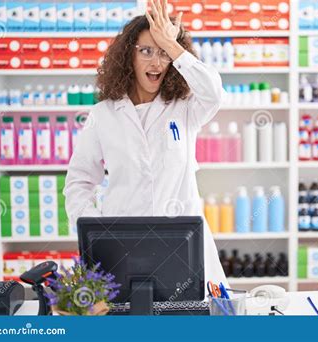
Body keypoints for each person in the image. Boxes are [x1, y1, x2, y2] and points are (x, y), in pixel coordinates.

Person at [63, 0, 228, 288]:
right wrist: (96, 231)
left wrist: (173, 45)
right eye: (146, 51)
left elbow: (214, 93)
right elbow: (79, 181)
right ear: (129, 56)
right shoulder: (103, 115)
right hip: (121, 248)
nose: (156, 62)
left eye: (164, 53)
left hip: (184, 246)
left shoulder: (186, 108)